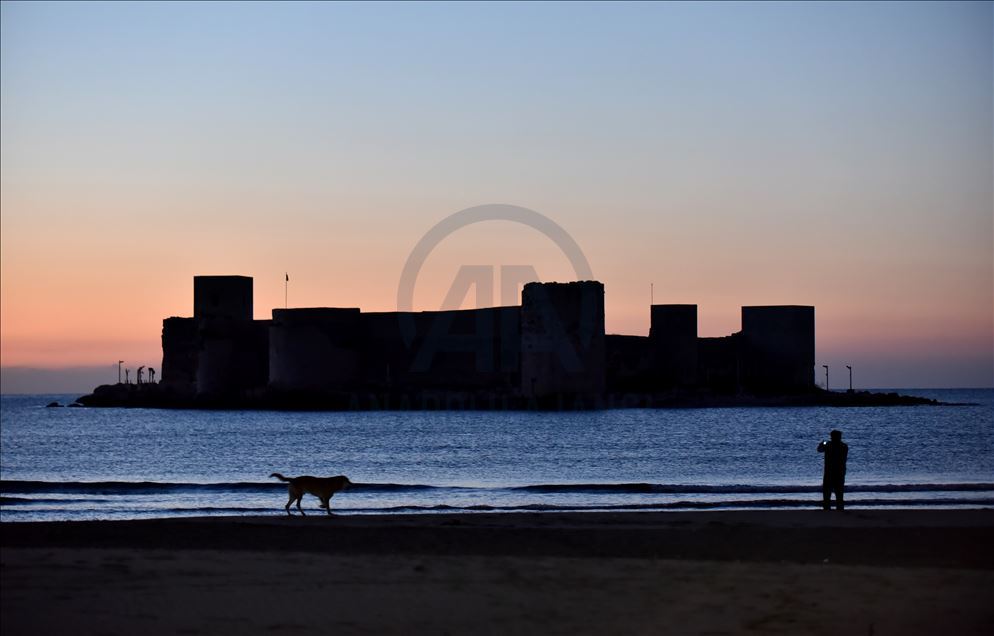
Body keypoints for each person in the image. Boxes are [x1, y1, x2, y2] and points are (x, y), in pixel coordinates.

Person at [817, 429, 848, 510]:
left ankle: (827, 508)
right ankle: (839, 509)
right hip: (839, 471)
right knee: (839, 492)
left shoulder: (828, 445)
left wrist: (822, 444)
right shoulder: (844, 446)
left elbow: (819, 449)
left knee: (828, 492)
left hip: (830, 471)